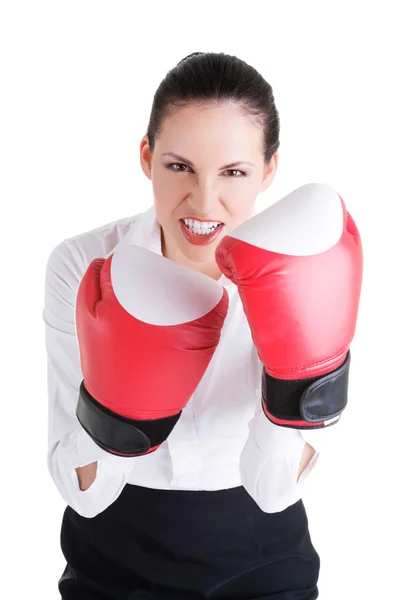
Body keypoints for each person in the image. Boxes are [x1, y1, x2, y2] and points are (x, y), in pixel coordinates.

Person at [43, 52, 362, 599]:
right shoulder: (87, 266)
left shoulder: (307, 262)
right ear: (146, 157)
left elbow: (273, 490)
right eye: (179, 166)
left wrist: (297, 393)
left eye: (233, 172)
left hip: (265, 554)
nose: (204, 200)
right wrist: (119, 413)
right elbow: (83, 493)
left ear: (269, 170)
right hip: (115, 554)